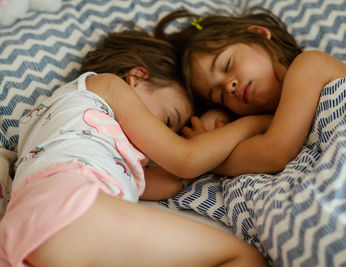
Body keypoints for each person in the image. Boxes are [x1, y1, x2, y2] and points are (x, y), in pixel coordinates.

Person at [0, 27, 270, 266]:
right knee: (242, 257)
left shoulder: (74, 131)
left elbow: (169, 180)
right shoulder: (106, 85)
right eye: (168, 120)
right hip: (70, 205)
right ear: (137, 78)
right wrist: (254, 123)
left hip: (22, 231)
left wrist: (203, 141)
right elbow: (185, 160)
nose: (164, 139)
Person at [154, 8, 346, 176]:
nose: (229, 86)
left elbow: (274, 153)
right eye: (219, 95)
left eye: (227, 65)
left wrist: (207, 159)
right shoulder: (271, 124)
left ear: (259, 35)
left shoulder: (309, 65)